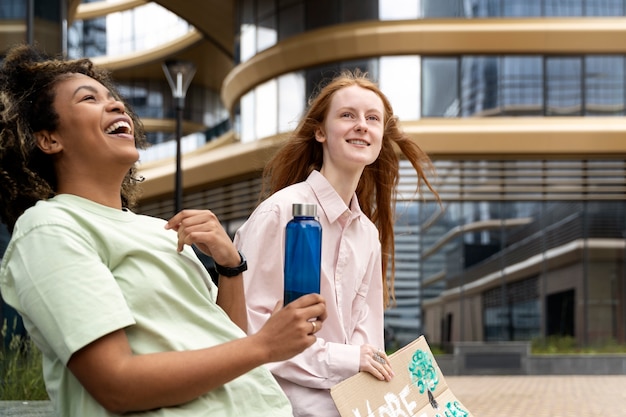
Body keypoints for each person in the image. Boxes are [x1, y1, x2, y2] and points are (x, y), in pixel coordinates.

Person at [0, 44, 327, 417]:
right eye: (88, 98)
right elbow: (116, 384)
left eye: (115, 98)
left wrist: (230, 266)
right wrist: (266, 346)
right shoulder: (50, 228)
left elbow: (223, 340)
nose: (117, 105)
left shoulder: (162, 230)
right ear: (48, 139)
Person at [234, 69, 439, 416]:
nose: (362, 125)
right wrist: (348, 359)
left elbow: (367, 342)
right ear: (320, 132)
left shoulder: (368, 235)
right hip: (279, 406)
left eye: (372, 118)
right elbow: (248, 332)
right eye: (348, 115)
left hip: (348, 407)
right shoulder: (280, 213)